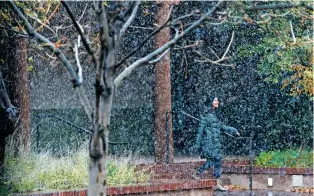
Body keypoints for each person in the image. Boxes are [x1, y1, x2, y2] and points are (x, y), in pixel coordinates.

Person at [194, 95, 240, 191]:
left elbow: (222, 127)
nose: (217, 102)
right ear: (211, 102)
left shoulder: (213, 115)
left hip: (215, 144)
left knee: (213, 162)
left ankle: (200, 174)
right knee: (216, 161)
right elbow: (200, 131)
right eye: (215, 100)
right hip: (210, 144)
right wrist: (197, 145)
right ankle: (215, 182)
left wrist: (234, 130)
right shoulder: (206, 116)